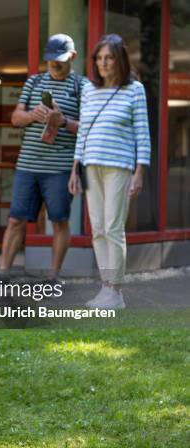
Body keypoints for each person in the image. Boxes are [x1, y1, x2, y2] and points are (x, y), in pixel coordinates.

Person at [70, 34, 150, 309]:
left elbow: (143, 134)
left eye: (109, 57)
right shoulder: (89, 90)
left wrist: (140, 171)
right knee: (98, 229)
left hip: (119, 166)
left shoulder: (135, 90)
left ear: (120, 60)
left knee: (113, 228)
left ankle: (114, 291)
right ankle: (106, 289)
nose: (103, 63)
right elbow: (82, 133)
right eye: (99, 58)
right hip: (90, 166)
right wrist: (74, 168)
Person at [0, 34, 87, 283]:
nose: (54, 64)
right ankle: (3, 273)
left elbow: (89, 127)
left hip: (60, 167)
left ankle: (53, 276)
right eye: (50, 59)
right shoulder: (34, 81)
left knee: (59, 220)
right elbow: (16, 118)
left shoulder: (82, 86)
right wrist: (32, 116)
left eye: (59, 59)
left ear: (73, 57)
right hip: (28, 164)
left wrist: (64, 122)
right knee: (16, 219)